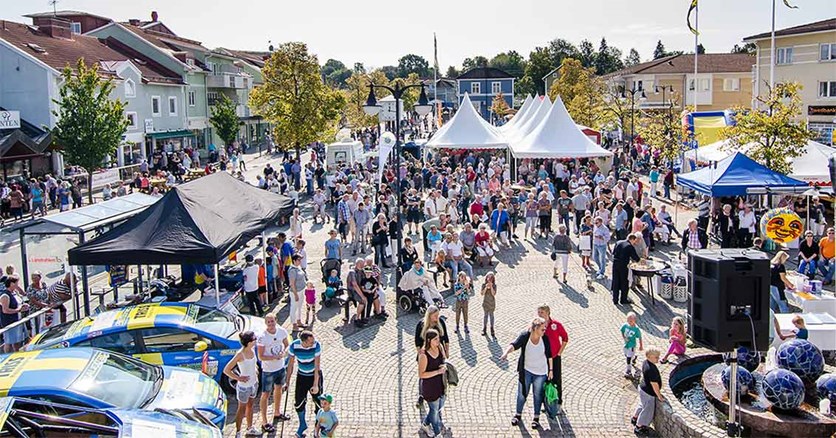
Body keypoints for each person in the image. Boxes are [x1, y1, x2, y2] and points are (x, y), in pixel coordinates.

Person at [500, 317, 553, 429]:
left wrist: (551, 370)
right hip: (526, 371)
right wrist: (505, 353)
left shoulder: (545, 339)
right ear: (535, 328)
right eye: (542, 329)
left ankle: (536, 418)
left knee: (538, 395)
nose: (544, 331)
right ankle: (518, 415)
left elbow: (549, 356)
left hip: (541, 372)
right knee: (522, 394)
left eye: (545, 329)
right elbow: (514, 345)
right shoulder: (525, 336)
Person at [286, 330, 323, 438]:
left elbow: (317, 366)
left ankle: (318, 427)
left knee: (318, 402)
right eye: (310, 342)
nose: (313, 343)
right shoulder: (294, 346)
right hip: (302, 376)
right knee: (299, 402)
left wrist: (315, 384)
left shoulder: (316, 345)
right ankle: (302, 424)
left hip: (314, 375)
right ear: (304, 342)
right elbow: (291, 365)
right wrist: (287, 382)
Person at [257, 313, 290, 434]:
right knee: (265, 394)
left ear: (276, 320)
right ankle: (264, 421)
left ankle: (277, 412)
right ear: (266, 323)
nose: (271, 324)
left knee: (279, 389)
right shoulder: (262, 337)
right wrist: (274, 357)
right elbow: (261, 356)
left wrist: (284, 353)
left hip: (280, 367)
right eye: (268, 322)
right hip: (268, 370)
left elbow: (287, 345)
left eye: (272, 321)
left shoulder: (281, 331)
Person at [223, 331, 259, 437]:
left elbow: (254, 363)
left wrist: (255, 371)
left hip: (254, 384)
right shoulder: (240, 354)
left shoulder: (252, 350)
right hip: (244, 387)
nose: (256, 340)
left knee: (251, 406)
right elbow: (227, 370)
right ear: (249, 342)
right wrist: (238, 378)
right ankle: (238, 431)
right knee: (241, 408)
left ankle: (250, 427)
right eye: (254, 339)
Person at [414, 306, 450, 406]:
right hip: (425, 354)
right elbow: (417, 341)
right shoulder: (421, 324)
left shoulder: (440, 323)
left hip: (438, 353)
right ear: (429, 315)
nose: (437, 318)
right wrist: (421, 353)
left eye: (438, 315)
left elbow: (445, 338)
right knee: (423, 375)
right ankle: (422, 395)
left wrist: (447, 351)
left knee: (438, 372)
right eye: (435, 316)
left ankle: (439, 392)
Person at [538, 305, 568, 412]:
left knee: (556, 380)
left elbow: (565, 337)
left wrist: (560, 352)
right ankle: (545, 402)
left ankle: (559, 402)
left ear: (547, 313)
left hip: (555, 357)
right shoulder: (538, 326)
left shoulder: (556, 325)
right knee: (543, 380)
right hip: (542, 358)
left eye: (541, 312)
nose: (539, 314)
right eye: (539, 312)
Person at [418, 329, 447, 437]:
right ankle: (437, 433)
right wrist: (438, 372)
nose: (438, 341)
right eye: (436, 339)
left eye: (438, 338)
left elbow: (443, 360)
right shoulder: (423, 355)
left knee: (437, 407)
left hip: (440, 384)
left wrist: (444, 366)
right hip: (430, 387)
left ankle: (425, 424)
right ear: (429, 340)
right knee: (434, 412)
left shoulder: (439, 347)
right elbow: (421, 375)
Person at [632, 347, 664, 436]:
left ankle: (635, 417)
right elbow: (655, 385)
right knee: (647, 410)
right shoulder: (651, 370)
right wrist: (659, 396)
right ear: (649, 357)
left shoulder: (645, 362)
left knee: (642, 404)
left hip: (643, 388)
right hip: (648, 393)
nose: (658, 359)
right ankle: (639, 426)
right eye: (656, 357)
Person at [1, 275, 28, 353]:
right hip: (9, 322)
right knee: (8, 342)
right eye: (16, 283)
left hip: (18, 320)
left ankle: (16, 353)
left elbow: (23, 297)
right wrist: (18, 310)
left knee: (17, 341)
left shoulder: (15, 293)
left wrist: (23, 306)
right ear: (12, 284)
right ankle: (5, 356)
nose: (17, 285)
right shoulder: (5, 296)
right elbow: (5, 310)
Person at [612, 234, 641, 305]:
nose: (634, 243)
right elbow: (636, 258)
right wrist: (641, 261)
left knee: (616, 281)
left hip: (615, 264)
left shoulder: (618, 242)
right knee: (624, 282)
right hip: (623, 266)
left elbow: (613, 253)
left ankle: (615, 299)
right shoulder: (629, 246)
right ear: (632, 239)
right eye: (634, 241)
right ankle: (623, 299)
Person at [621, 312, 643, 378]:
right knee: (626, 354)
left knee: (628, 358)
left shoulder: (636, 329)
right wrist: (624, 338)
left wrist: (641, 346)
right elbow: (622, 330)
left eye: (631, 321)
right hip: (626, 345)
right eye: (628, 320)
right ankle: (634, 357)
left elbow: (639, 337)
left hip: (632, 345)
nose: (629, 322)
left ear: (634, 320)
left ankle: (628, 370)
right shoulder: (625, 325)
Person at [288, 255, 307, 331]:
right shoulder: (292, 270)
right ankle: (294, 325)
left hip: (301, 290)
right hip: (295, 292)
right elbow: (292, 283)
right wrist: (295, 294)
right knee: (294, 308)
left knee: (299, 307)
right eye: (298, 260)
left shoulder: (298, 267)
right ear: (294, 261)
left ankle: (299, 321)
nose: (300, 261)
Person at [481, 272, 497, 337]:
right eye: (488, 277)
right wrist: (485, 287)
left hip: (492, 302)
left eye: (491, 278)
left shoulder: (494, 285)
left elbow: (494, 294)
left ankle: (492, 329)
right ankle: (484, 328)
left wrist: (491, 287)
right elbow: (482, 293)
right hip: (485, 302)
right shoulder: (483, 284)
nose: (489, 279)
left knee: (491, 316)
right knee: (485, 316)